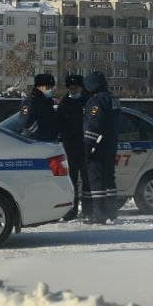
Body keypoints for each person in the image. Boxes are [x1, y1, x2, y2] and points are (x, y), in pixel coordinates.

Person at [82, 70, 121, 223]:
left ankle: (98, 214)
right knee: (109, 180)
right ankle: (111, 212)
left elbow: (93, 125)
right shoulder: (113, 99)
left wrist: (87, 146)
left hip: (97, 147)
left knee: (96, 180)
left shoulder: (97, 101)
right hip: (110, 145)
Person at [56, 73, 91, 222]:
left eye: (75, 87)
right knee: (71, 182)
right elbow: (59, 124)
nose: (73, 91)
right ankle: (71, 210)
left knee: (87, 180)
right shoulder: (64, 102)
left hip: (85, 146)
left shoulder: (88, 101)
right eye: (70, 88)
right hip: (69, 147)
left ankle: (89, 210)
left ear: (81, 87)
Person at [20, 73, 59, 141]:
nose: (50, 90)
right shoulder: (28, 102)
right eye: (48, 87)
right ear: (39, 87)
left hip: (49, 142)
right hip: (36, 142)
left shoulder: (47, 102)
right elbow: (26, 123)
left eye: (51, 87)